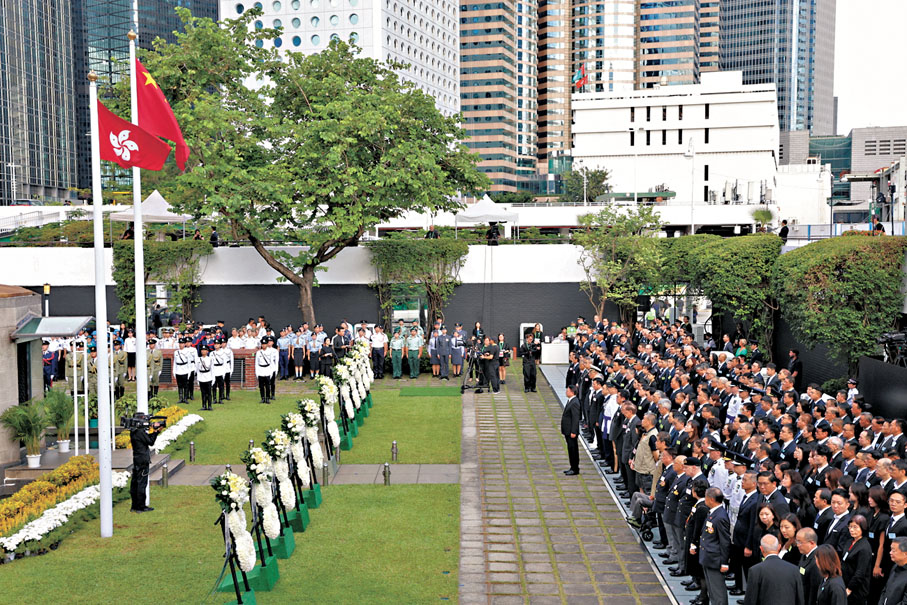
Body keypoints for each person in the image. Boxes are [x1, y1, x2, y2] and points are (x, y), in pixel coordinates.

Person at [743, 534, 805, 605]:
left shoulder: (755, 570)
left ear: (761, 549)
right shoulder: (794, 569)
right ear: (779, 547)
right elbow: (800, 598)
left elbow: (750, 599)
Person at [699, 487, 731, 605]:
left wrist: (724, 562)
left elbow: (725, 541)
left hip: (715, 559)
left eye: (706, 498)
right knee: (712, 589)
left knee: (718, 591)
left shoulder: (720, 516)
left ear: (711, 499)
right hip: (708, 557)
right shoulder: (713, 513)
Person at [129, 413, 164, 513]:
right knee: (141, 483)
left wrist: (155, 431)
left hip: (137, 459)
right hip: (142, 460)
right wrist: (156, 431)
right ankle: (141, 506)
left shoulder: (134, 431)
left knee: (135, 483)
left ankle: (135, 505)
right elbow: (150, 441)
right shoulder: (139, 432)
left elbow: (147, 439)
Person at [841, 514, 872, 603]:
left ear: (863, 528)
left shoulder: (864, 547)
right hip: (845, 582)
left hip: (856, 589)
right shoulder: (849, 541)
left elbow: (860, 572)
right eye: (850, 527)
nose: (851, 530)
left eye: (855, 527)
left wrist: (849, 588)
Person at [797, 527, 824, 605]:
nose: (798, 545)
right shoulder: (804, 554)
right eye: (797, 541)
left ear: (811, 543)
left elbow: (814, 590)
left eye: (800, 542)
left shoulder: (816, 560)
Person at [561, 385, 581, 475]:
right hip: (567, 430)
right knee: (570, 449)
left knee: (573, 450)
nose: (566, 392)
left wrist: (574, 431)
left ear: (572, 392)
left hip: (571, 431)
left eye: (568, 391)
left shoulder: (575, 402)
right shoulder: (571, 401)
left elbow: (575, 418)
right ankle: (572, 466)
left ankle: (575, 468)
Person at [880, 537, 907, 604]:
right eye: (891, 549)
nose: (890, 553)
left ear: (905, 554)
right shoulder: (895, 567)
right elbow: (885, 590)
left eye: (894, 550)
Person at [255, 337, 275, 404]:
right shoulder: (258, 352)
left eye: (265, 344)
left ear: (267, 344)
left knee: (267, 386)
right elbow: (256, 363)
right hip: (260, 370)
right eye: (262, 344)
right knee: (261, 386)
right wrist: (257, 372)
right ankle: (262, 398)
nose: (264, 345)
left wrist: (271, 372)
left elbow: (271, 362)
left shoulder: (270, 352)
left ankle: (267, 398)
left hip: (267, 369)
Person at [196, 345, 214, 411]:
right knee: (203, 393)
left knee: (209, 392)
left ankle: (209, 406)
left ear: (207, 351)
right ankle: (203, 406)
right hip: (201, 377)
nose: (203, 351)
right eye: (202, 350)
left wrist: (213, 378)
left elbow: (212, 369)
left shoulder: (210, 359)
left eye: (204, 350)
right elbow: (197, 370)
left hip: (208, 377)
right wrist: (198, 378)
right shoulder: (198, 359)